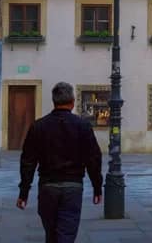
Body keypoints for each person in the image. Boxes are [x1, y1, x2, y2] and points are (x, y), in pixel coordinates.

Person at [17, 81, 103, 243]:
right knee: (66, 235)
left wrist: (24, 192)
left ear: (54, 102)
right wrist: (97, 187)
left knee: (51, 235)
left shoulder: (38, 126)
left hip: (47, 187)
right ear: (72, 103)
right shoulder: (82, 126)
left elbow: (27, 161)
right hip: (73, 186)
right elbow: (93, 158)